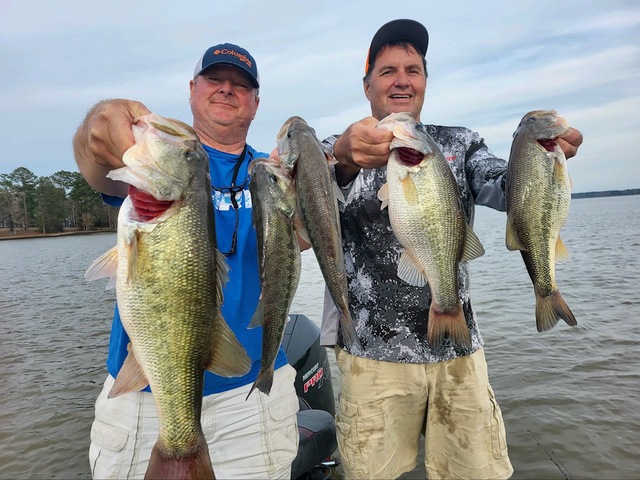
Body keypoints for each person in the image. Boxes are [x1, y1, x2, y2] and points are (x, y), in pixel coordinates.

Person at [320, 19, 584, 479]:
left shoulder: (461, 143)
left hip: (459, 354)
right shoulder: (337, 148)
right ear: (366, 86)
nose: (401, 80)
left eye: (413, 70)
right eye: (387, 71)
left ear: (424, 82)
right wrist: (341, 157)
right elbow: (298, 209)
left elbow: (506, 188)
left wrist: (541, 158)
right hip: (370, 356)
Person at [73, 43, 300, 479]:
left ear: (256, 102)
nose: (227, 90)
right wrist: (97, 125)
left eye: (241, 85)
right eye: (215, 80)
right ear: (193, 89)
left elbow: (309, 239)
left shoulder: (271, 176)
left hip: (252, 400)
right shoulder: (147, 174)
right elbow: (93, 162)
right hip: (144, 397)